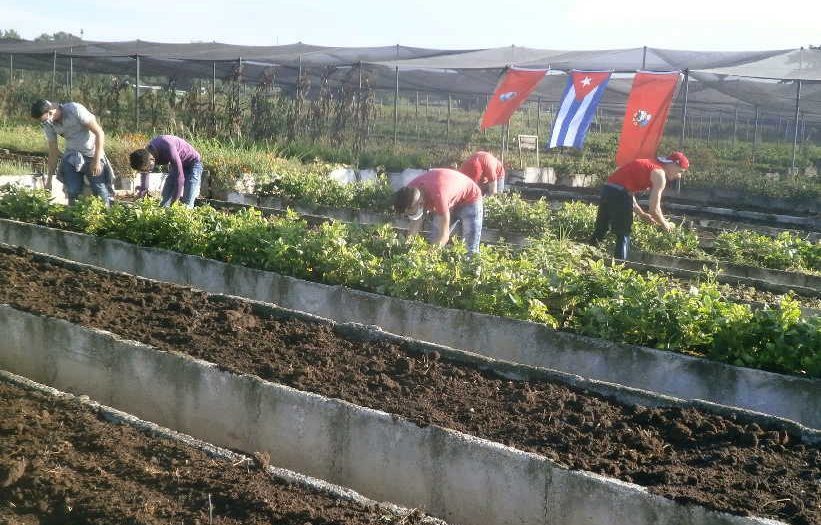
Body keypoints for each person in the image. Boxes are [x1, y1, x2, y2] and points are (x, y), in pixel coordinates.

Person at [589, 151, 689, 259]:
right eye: (680, 171)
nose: (679, 176)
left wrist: (641, 213)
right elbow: (654, 210)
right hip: (619, 193)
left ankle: (587, 256)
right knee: (623, 233)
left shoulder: (650, 164)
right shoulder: (659, 174)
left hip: (608, 189)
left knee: (601, 228)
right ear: (673, 164)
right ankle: (620, 268)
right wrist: (665, 225)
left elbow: (627, 190)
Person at [30, 98, 115, 206]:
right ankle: (74, 217)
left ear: (51, 112)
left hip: (92, 154)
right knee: (72, 190)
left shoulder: (74, 109)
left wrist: (97, 160)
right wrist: (49, 180)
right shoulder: (48, 124)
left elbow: (99, 133)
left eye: (45, 120)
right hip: (72, 157)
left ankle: (105, 216)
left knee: (99, 189)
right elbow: (53, 152)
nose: (45, 123)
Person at [393, 168, 483, 255]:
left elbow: (443, 235)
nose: (410, 216)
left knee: (470, 247)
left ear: (420, 203)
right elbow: (416, 221)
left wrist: (428, 256)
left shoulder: (438, 196)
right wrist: (407, 248)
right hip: (449, 192)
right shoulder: (409, 192)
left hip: (470, 198)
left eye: (411, 213)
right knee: (435, 238)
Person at [129, 135, 203, 208]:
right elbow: (144, 173)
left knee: (187, 202)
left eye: (148, 168)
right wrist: (142, 190)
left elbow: (180, 178)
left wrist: (174, 203)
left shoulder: (168, 147)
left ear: (152, 159)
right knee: (165, 200)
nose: (148, 171)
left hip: (193, 163)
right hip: (178, 164)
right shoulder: (145, 155)